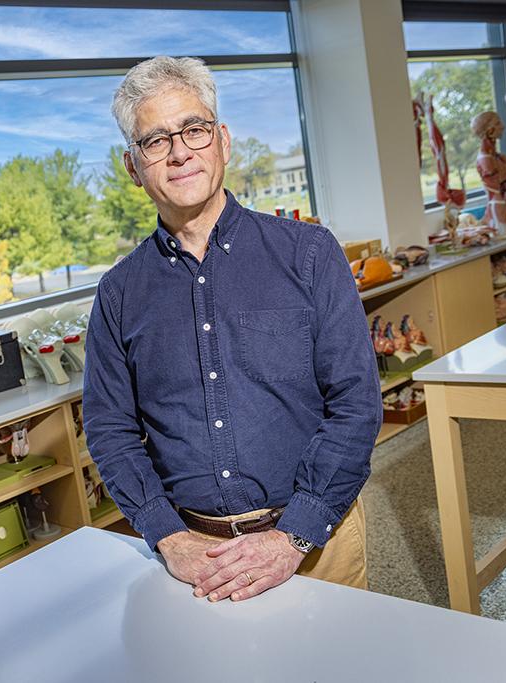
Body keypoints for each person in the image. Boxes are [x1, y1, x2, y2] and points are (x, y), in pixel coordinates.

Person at [83, 56, 382, 603]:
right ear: (133, 166)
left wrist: (295, 534)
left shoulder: (310, 254)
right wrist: (168, 536)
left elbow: (356, 403)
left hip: (319, 544)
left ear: (222, 140)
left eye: (193, 129)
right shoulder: (118, 294)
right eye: (155, 141)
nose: (179, 152)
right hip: (198, 563)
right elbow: (109, 430)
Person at [471, 110, 506, 236]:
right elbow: (496, 191)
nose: (503, 126)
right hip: (500, 207)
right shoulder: (486, 159)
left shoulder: (500, 157)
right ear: (489, 130)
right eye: (498, 123)